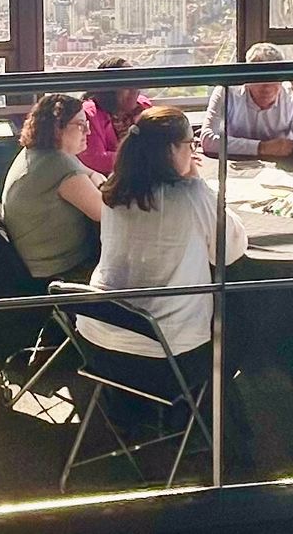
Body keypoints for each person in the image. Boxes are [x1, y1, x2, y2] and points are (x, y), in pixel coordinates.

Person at [82, 107, 247, 387]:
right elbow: (230, 251)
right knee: (242, 315)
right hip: (167, 359)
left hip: (98, 344)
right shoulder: (192, 195)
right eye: (189, 144)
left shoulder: (113, 190)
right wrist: (196, 179)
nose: (193, 150)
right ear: (171, 149)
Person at [2, 94, 104, 283]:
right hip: (59, 271)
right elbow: (104, 212)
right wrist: (100, 183)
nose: (88, 131)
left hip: (35, 260)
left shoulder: (42, 152)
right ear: (58, 128)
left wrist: (95, 180)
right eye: (81, 125)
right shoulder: (58, 164)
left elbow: (90, 173)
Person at [202, 43, 293, 159]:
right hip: (237, 164)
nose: (267, 87)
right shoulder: (227, 92)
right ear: (247, 78)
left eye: (274, 79)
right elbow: (208, 140)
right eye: (260, 79)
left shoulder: (290, 94)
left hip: (282, 167)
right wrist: (261, 148)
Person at [79, 56, 152, 176]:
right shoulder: (90, 114)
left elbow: (160, 144)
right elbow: (95, 159)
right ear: (109, 90)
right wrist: (142, 159)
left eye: (136, 82)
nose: (136, 90)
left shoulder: (143, 106)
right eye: (127, 85)